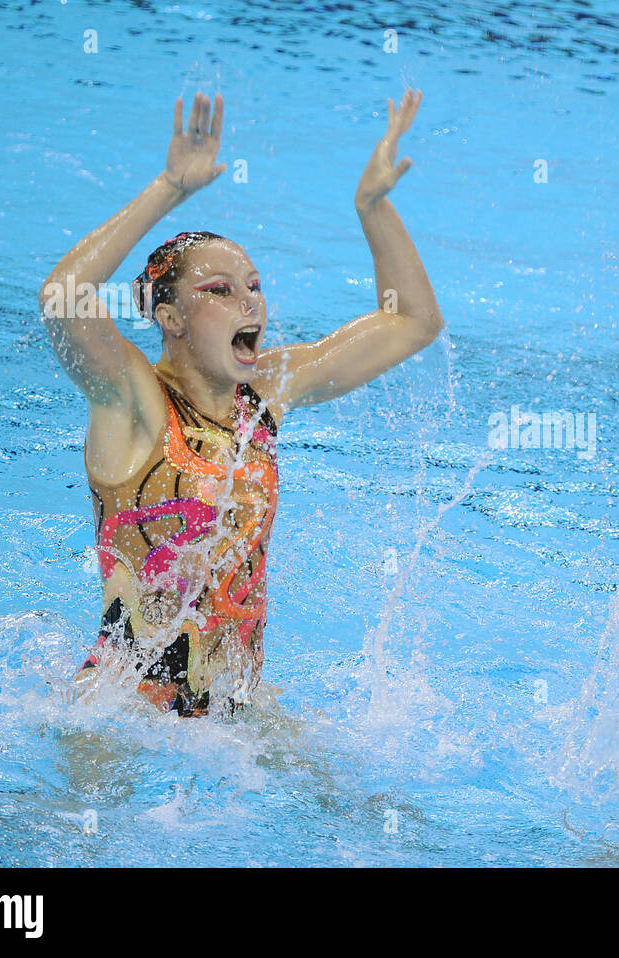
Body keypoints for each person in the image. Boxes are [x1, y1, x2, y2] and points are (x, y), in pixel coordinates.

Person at [40, 88, 443, 716]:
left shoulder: (265, 397)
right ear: (169, 316)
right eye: (221, 290)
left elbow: (413, 322)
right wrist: (170, 188)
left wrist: (373, 208)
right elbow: (62, 297)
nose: (250, 301)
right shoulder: (133, 401)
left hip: (235, 712)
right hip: (124, 711)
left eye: (254, 287)